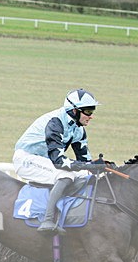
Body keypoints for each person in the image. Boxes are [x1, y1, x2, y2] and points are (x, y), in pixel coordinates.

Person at [13, 88, 107, 234]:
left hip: (44, 161)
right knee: (66, 175)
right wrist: (88, 165)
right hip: (26, 159)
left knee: (84, 175)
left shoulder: (78, 129)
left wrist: (101, 166)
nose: (91, 116)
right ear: (74, 110)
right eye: (88, 111)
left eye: (92, 111)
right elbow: (59, 161)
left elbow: (85, 161)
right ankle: (47, 220)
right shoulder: (55, 123)